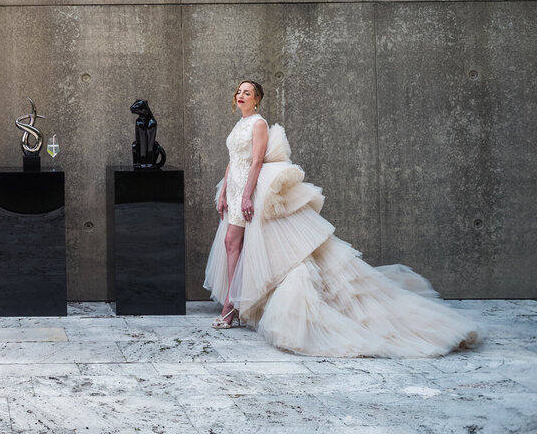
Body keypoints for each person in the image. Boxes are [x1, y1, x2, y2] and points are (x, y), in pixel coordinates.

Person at [204, 79, 480, 357]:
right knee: (232, 244)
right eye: (239, 92)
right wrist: (225, 190)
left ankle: (231, 307)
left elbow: (255, 161)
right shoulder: (239, 124)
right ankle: (234, 303)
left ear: (257, 99)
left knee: (241, 244)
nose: (241, 95)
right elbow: (232, 160)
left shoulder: (258, 124)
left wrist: (247, 195)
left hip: (251, 191)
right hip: (235, 186)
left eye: (247, 93)